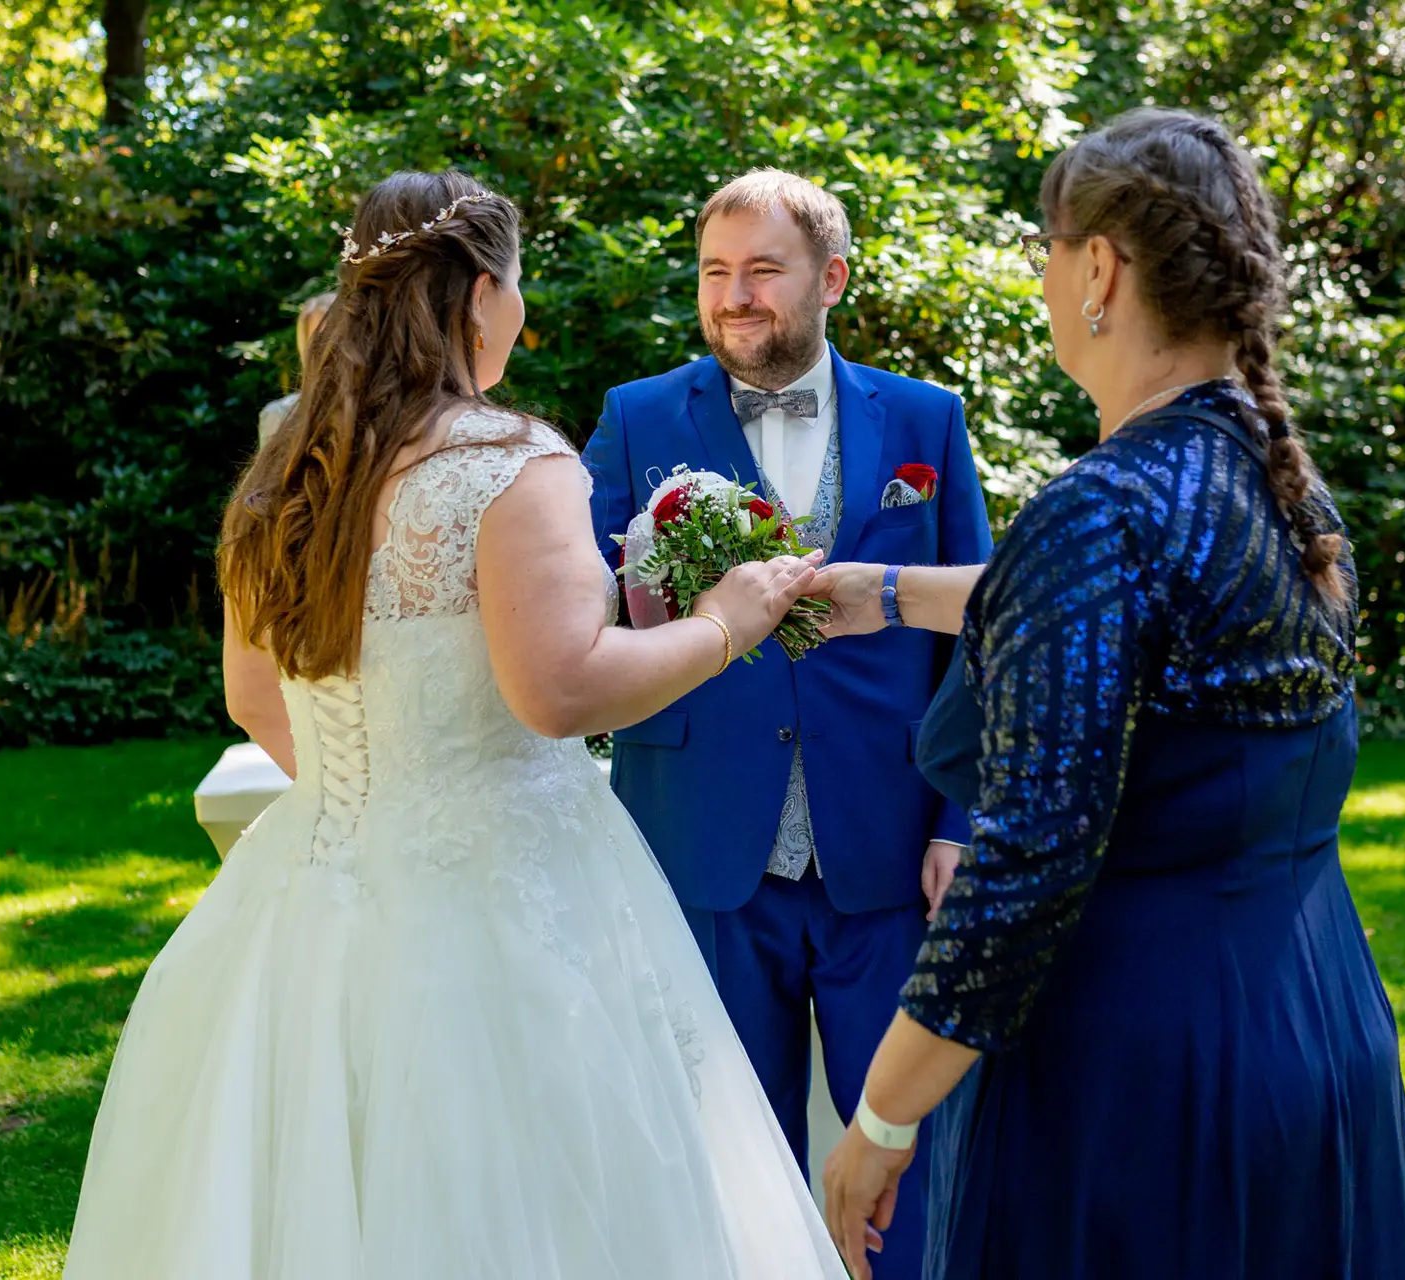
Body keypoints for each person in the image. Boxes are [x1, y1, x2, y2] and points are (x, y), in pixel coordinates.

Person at [61, 168, 843, 1279]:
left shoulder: (286, 467)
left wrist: (374, 795)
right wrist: (726, 620)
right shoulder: (509, 464)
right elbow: (560, 689)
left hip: (305, 899)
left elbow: (249, 693)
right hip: (516, 903)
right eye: (516, 288)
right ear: (482, 294)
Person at [816, 108, 1405, 1279]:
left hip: (1148, 1080)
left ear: (1098, 267)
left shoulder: (1101, 510)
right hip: (1315, 1023)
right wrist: (889, 591)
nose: (1048, 277)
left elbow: (1023, 868)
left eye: (1052, 248)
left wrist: (878, 1126)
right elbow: (1111, 611)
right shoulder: (1274, 481)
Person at [582, 169, 993, 1280]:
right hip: (705, 839)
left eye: (764, 270)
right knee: (723, 1159)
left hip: (890, 847)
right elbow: (571, 596)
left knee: (904, 1157)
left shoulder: (923, 420)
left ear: (832, 279)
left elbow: (983, 629)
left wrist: (959, 816)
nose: (735, 297)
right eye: (717, 273)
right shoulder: (637, 417)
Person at [257, 290, 337, 445]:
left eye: (336, 335)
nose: (329, 347)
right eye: (319, 340)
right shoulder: (280, 416)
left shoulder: (381, 412)